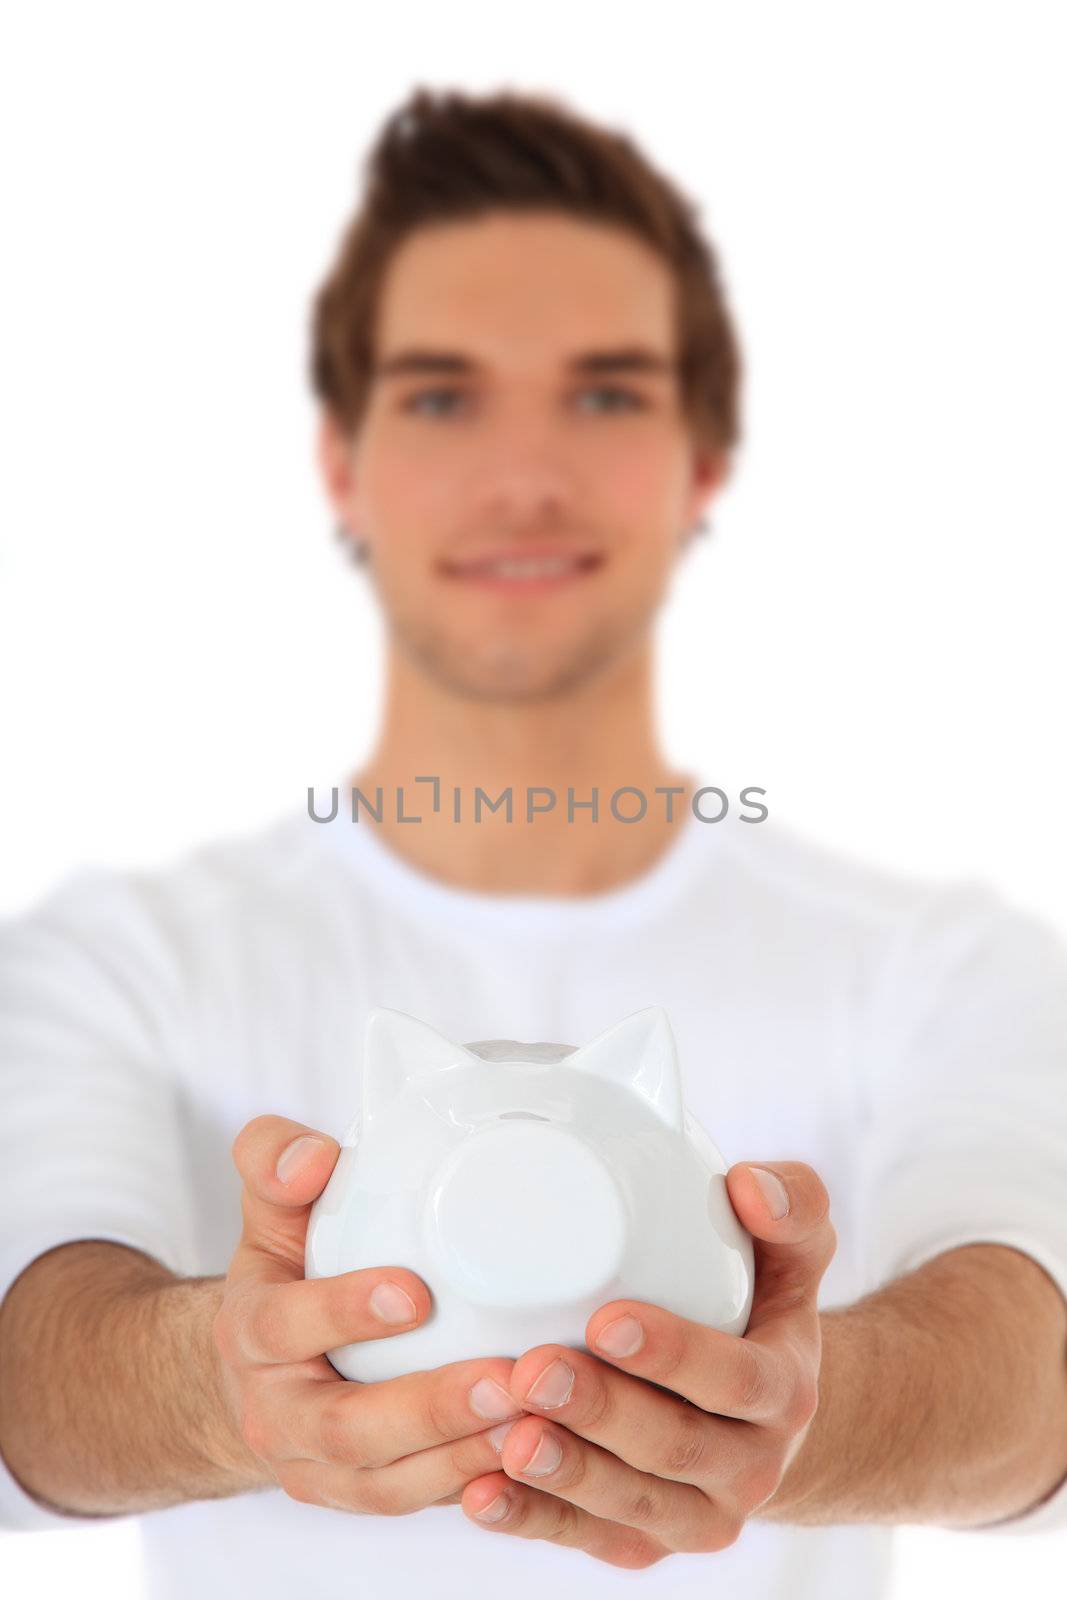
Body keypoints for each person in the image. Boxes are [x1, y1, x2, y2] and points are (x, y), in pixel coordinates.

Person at [1, 84, 1066, 1600]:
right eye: (441, 395)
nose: (523, 479)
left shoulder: (943, 967)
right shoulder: (114, 961)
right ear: (338, 463)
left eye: (607, 392)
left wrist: (799, 1408)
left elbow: (1037, 1372)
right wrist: (214, 1376)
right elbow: (24, 1374)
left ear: (703, 460)